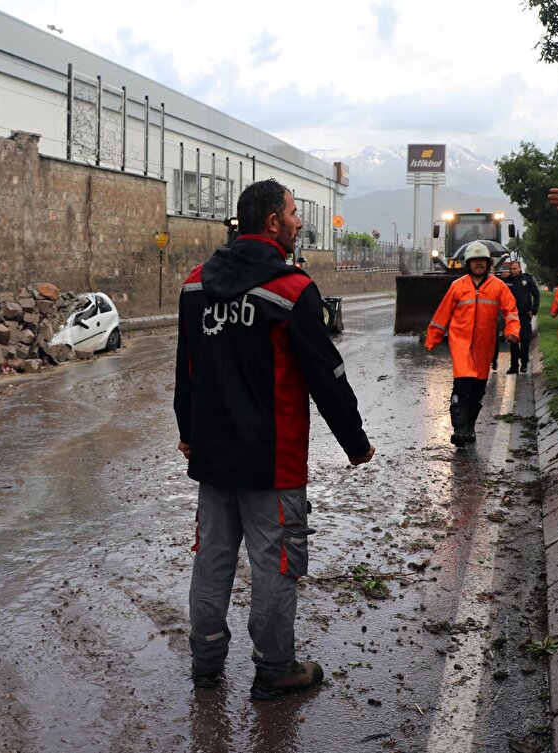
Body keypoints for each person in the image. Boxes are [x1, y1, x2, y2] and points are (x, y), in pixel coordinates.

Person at [174, 178, 376, 700]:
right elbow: (325, 376)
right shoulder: (292, 290)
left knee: (212, 558)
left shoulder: (196, 284)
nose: (298, 220)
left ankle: (206, 663)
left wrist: (188, 433)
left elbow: (187, 371)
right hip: (272, 461)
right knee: (274, 565)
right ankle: (274, 669)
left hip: (214, 457)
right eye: (292, 212)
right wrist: (355, 441)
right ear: (272, 222)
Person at [424, 242, 520, 447]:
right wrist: (432, 338)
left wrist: (512, 331)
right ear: (468, 264)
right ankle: (459, 430)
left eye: (482, 261)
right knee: (461, 387)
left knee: (477, 392)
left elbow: (510, 311)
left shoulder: (498, 287)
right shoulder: (457, 286)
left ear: (488, 263)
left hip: (484, 348)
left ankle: (469, 429)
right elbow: (442, 314)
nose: (478, 264)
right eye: (474, 261)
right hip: (461, 345)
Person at [505, 259, 540, 373]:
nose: (512, 271)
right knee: (513, 341)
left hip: (525, 314)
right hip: (512, 316)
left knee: (525, 340)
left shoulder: (527, 279)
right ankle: (514, 366)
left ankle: (524, 363)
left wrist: (533, 310)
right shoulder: (507, 281)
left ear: (520, 268)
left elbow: (536, 294)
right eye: (510, 269)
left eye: (514, 268)